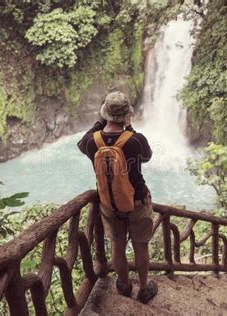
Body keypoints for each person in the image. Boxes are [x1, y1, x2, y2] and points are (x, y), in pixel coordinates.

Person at [77, 91, 158, 304]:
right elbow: (148, 156)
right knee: (141, 246)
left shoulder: (92, 142)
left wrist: (98, 123)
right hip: (137, 202)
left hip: (109, 205)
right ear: (126, 116)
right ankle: (143, 288)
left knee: (117, 245)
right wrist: (129, 128)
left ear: (106, 115)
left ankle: (123, 285)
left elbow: (80, 143)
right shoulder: (135, 140)